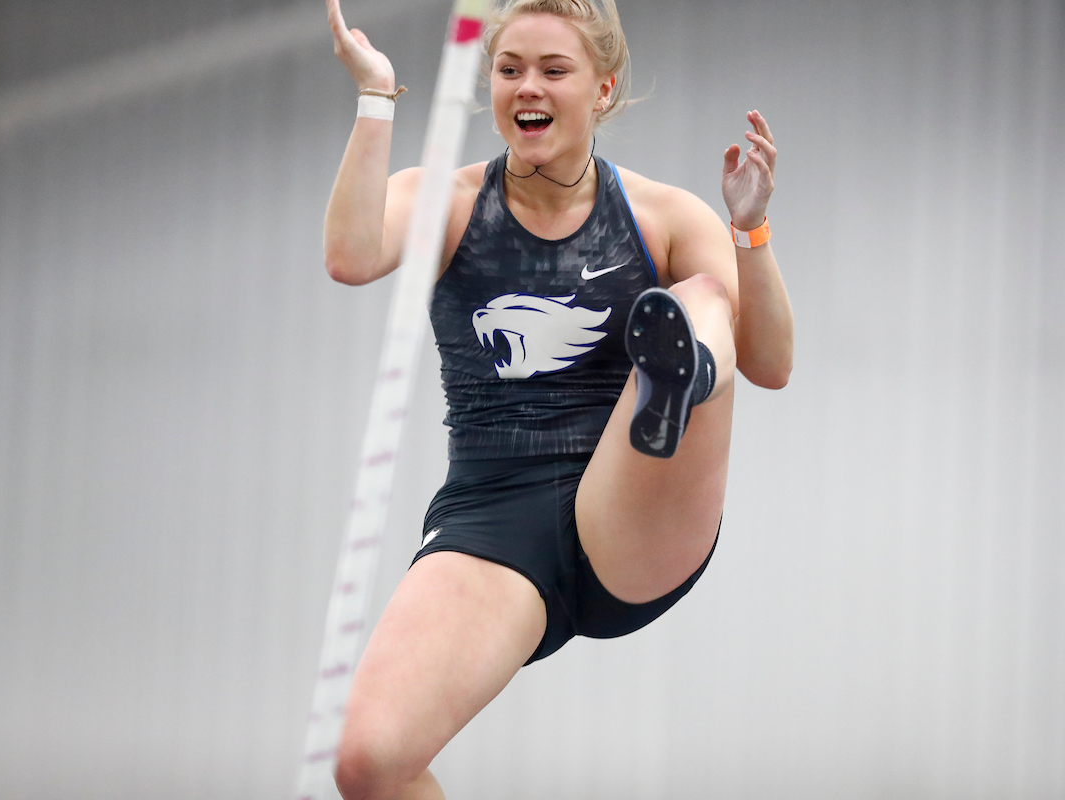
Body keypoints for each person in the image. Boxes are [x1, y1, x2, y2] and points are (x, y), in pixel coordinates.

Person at [323, 0, 793, 797]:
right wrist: (375, 98)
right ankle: (670, 371)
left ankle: (675, 382)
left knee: (701, 296)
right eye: (509, 70)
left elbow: (773, 365)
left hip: (632, 499)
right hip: (493, 518)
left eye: (553, 70)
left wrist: (751, 232)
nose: (526, 87)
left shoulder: (660, 214)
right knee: (368, 765)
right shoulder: (453, 201)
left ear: (603, 89)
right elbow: (351, 254)